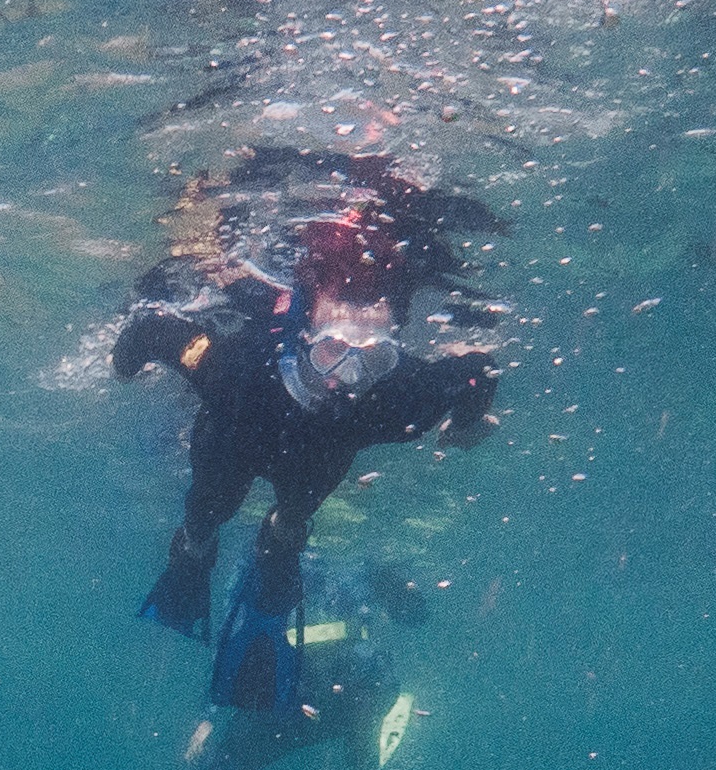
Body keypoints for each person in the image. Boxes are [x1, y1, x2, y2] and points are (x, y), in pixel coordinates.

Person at [114, 167, 497, 643]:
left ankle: (277, 545)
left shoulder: (397, 395)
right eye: (332, 351)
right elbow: (155, 331)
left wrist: (468, 420)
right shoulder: (237, 371)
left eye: (375, 358)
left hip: (317, 463)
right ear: (306, 337)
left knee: (294, 517)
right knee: (206, 513)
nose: (348, 380)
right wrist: (125, 365)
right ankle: (194, 554)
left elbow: (476, 371)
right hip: (233, 437)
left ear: (392, 350)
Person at [180, 538, 428, 770]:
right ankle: (363, 729)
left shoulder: (258, 555)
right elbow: (415, 615)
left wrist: (209, 715)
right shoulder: (360, 557)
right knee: (369, 676)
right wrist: (395, 586)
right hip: (361, 683)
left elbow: (232, 636)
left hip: (291, 695)